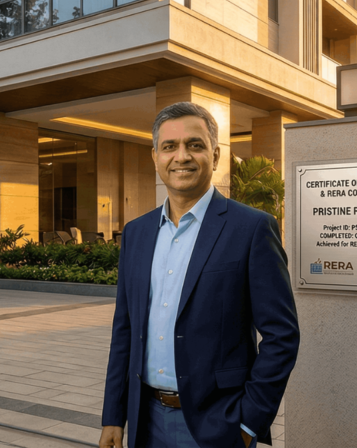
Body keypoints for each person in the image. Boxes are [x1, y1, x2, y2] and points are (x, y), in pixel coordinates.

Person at [99, 102, 299, 448]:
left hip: (218, 425)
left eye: (194, 145)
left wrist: (248, 422)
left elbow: (282, 336)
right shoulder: (136, 233)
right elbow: (125, 330)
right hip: (145, 421)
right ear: (155, 157)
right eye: (169, 146)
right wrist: (114, 416)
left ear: (215, 155)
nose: (182, 156)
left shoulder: (251, 229)